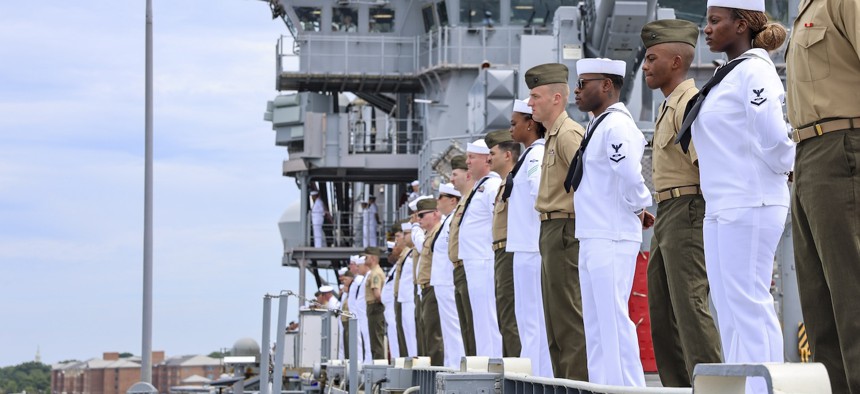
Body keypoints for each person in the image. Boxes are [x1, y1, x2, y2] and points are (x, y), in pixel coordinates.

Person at [685, 1, 795, 392]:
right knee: (729, 308)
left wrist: (784, 169)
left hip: (751, 200)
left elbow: (774, 138)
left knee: (748, 304)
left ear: (742, 24)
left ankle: (765, 389)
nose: (707, 29)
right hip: (723, 203)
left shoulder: (754, 71)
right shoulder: (728, 74)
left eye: (715, 21)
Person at [639, 19, 722, 387]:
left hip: (688, 208)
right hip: (668, 211)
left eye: (652, 58)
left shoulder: (688, 103)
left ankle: (713, 387)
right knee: (662, 308)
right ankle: (678, 386)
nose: (645, 66)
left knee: (689, 304)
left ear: (676, 62)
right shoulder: (669, 105)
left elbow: (707, 165)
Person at [786, 0, 860, 391]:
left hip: (842, 145)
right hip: (808, 152)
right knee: (819, 304)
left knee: (851, 292)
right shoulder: (806, 8)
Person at [571, 57, 652, 386]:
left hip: (611, 234)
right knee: (596, 326)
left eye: (583, 84)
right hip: (594, 233)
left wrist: (638, 207)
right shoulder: (597, 124)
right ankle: (603, 386)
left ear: (606, 85)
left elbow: (629, 175)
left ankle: (629, 389)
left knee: (614, 321)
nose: (576, 91)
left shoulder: (617, 125)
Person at [525, 62, 588, 380]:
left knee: (568, 318)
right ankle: (563, 382)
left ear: (556, 98)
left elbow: (589, 183)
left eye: (535, 96)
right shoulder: (553, 136)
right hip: (551, 229)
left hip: (565, 228)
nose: (530, 103)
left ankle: (576, 383)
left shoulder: (568, 134)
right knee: (554, 320)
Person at [506, 98, 553, 378]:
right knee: (527, 320)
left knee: (533, 320)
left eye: (514, 123)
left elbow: (538, 190)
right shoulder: (529, 155)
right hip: (524, 245)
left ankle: (537, 377)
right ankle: (534, 373)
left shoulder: (536, 155)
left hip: (531, 247)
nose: (511, 128)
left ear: (530, 123)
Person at [460, 139, 504, 357]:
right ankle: (485, 359)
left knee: (488, 316)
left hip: (484, 259)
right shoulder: (480, 186)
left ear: (487, 159)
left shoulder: (492, 186)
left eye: (472, 157)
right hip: (474, 260)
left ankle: (492, 362)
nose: (467, 162)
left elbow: (497, 219)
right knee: (480, 317)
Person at [485, 129, 522, 358]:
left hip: (510, 251)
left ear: (507, 155)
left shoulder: (515, 181)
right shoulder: (504, 183)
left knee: (511, 315)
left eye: (492, 153)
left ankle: (517, 365)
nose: (488, 158)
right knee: (504, 314)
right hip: (501, 252)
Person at [431, 183, 465, 368]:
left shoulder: (454, 219)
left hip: (448, 279)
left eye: (441, 197)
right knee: (448, 330)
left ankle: (457, 366)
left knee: (454, 328)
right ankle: (451, 364)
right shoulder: (447, 220)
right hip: (442, 280)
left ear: (453, 200)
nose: (437, 201)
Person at [447, 155, 478, 357]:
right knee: (466, 325)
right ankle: (470, 362)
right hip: (459, 268)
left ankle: (476, 363)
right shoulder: (464, 202)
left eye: (454, 174)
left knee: (474, 323)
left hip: (470, 266)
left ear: (467, 175)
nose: (451, 179)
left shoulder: (474, 198)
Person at [414, 197, 445, 365]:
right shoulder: (430, 235)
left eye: (422, 215)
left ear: (435, 213)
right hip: (426, 289)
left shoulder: (439, 233)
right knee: (427, 331)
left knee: (434, 334)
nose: (418, 219)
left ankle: (437, 370)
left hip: (433, 287)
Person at [395, 222, 419, 357]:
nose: (404, 237)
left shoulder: (416, 250)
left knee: (413, 333)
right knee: (407, 333)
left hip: (411, 298)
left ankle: (415, 360)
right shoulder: (409, 252)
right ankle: (411, 359)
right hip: (405, 298)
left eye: (406, 234)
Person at [362, 247, 387, 360]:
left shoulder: (375, 273)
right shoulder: (373, 272)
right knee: (375, 339)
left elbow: (377, 294)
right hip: (374, 307)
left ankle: (378, 364)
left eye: (366, 257)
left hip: (375, 307)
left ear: (372, 258)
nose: (364, 260)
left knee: (376, 339)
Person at [381, 228, 402, 359]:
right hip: (390, 311)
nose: (389, 256)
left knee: (398, 342)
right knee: (394, 342)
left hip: (396, 309)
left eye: (391, 252)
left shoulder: (399, 265)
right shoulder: (395, 268)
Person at [349, 255, 371, 363]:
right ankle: (361, 361)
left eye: (358, 266)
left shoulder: (361, 279)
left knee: (364, 339)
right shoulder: (360, 279)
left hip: (363, 314)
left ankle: (364, 361)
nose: (355, 268)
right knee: (360, 339)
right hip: (358, 314)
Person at [338, 269, 354, 359]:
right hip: (345, 322)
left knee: (349, 344)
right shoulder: (346, 295)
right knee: (346, 345)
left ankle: (350, 361)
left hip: (349, 321)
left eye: (346, 279)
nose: (344, 282)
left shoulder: (351, 294)